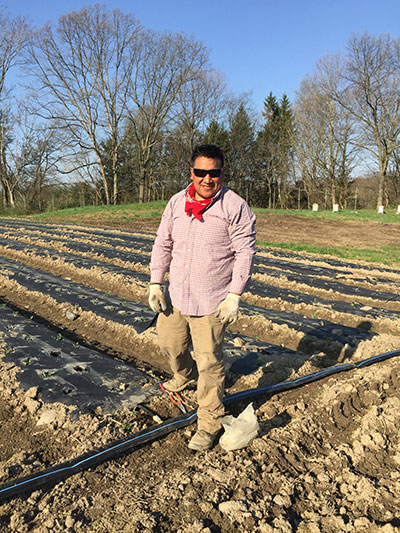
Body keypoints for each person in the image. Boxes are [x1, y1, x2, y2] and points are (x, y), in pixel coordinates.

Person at [148, 144, 256, 451]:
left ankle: (209, 422)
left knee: (210, 363)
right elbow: (163, 242)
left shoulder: (234, 206)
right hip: (177, 294)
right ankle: (184, 375)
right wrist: (156, 281)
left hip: (211, 300)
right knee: (169, 344)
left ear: (222, 173)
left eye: (214, 173)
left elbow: (245, 252)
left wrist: (234, 294)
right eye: (201, 172)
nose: (207, 179)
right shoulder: (176, 203)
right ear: (191, 172)